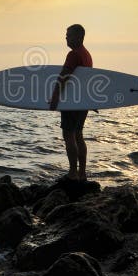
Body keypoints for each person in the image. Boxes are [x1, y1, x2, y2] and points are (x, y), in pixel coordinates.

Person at [49, 24, 92, 181]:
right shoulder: (87, 55)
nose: (66, 37)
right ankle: (82, 173)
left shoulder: (73, 54)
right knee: (79, 135)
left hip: (72, 103)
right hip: (83, 102)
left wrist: (55, 98)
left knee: (69, 135)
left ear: (79, 37)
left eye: (69, 35)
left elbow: (64, 76)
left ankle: (73, 173)